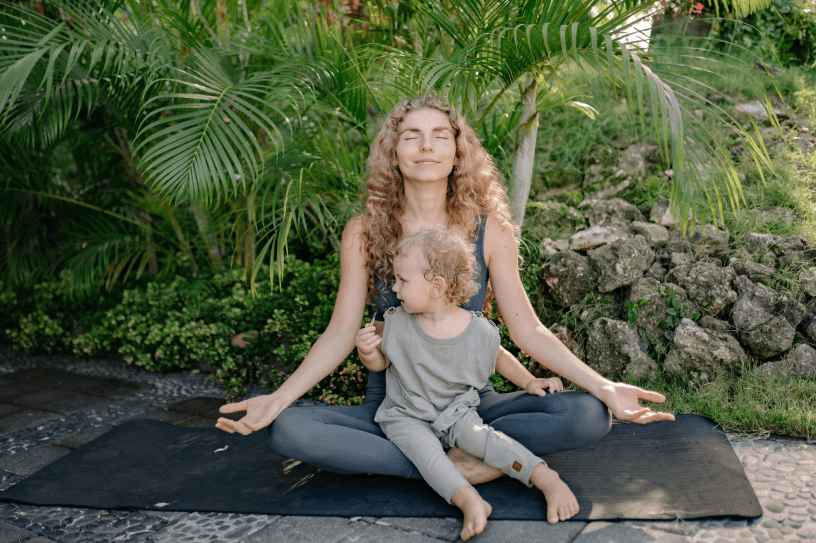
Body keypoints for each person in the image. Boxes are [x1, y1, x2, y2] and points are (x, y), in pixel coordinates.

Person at [216, 94, 674, 501]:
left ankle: (443, 458)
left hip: (474, 403)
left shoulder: (490, 230)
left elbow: (527, 329)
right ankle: (469, 465)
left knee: (588, 416)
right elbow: (339, 333)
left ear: (458, 152)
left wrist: (604, 386)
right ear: (393, 153)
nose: (427, 146)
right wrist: (278, 398)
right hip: (395, 407)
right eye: (412, 136)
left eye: (440, 135)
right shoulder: (363, 231)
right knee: (291, 430)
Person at [355, 226, 577, 539]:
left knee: (486, 439)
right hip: (407, 414)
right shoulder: (396, 322)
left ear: (436, 286)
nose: (395, 288)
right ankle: (469, 499)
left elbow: (499, 356)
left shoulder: (476, 330)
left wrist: (529, 382)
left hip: (457, 412)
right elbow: (382, 362)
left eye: (402, 280)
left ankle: (545, 478)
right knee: (426, 454)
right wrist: (368, 354)